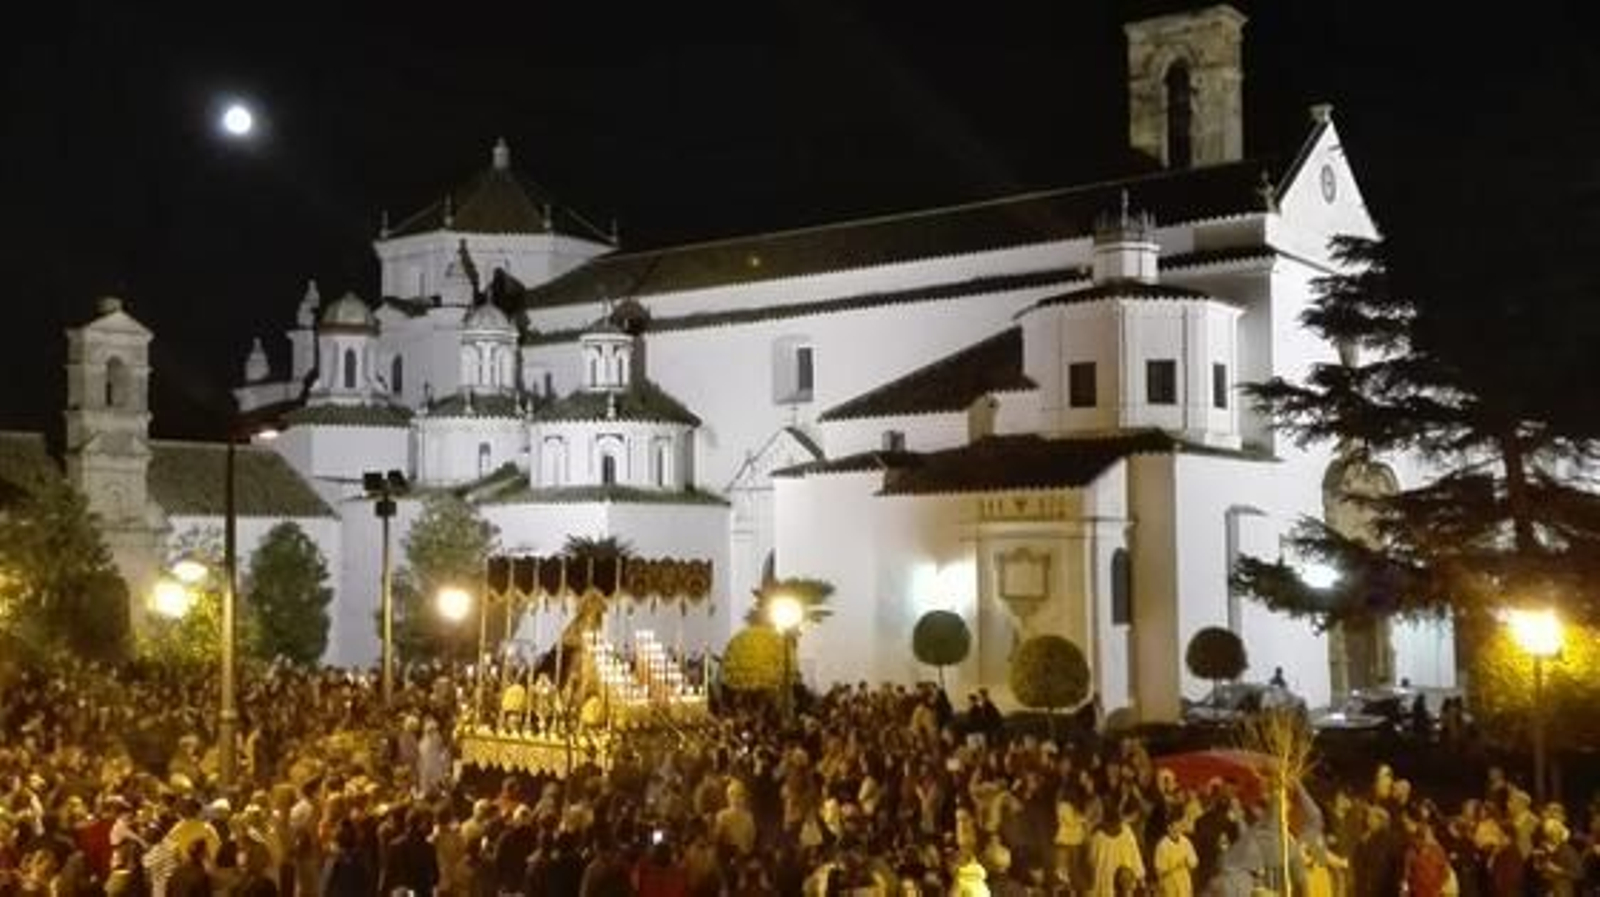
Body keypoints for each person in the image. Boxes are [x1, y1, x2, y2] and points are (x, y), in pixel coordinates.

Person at [1153, 817, 1198, 897]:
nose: (1177, 831)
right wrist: (1174, 867)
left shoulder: (1186, 842)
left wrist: (1187, 863)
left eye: (1179, 829)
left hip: (1184, 881)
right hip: (1169, 883)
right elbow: (1159, 868)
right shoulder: (1162, 845)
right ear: (1168, 828)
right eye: (1174, 829)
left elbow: (1194, 861)